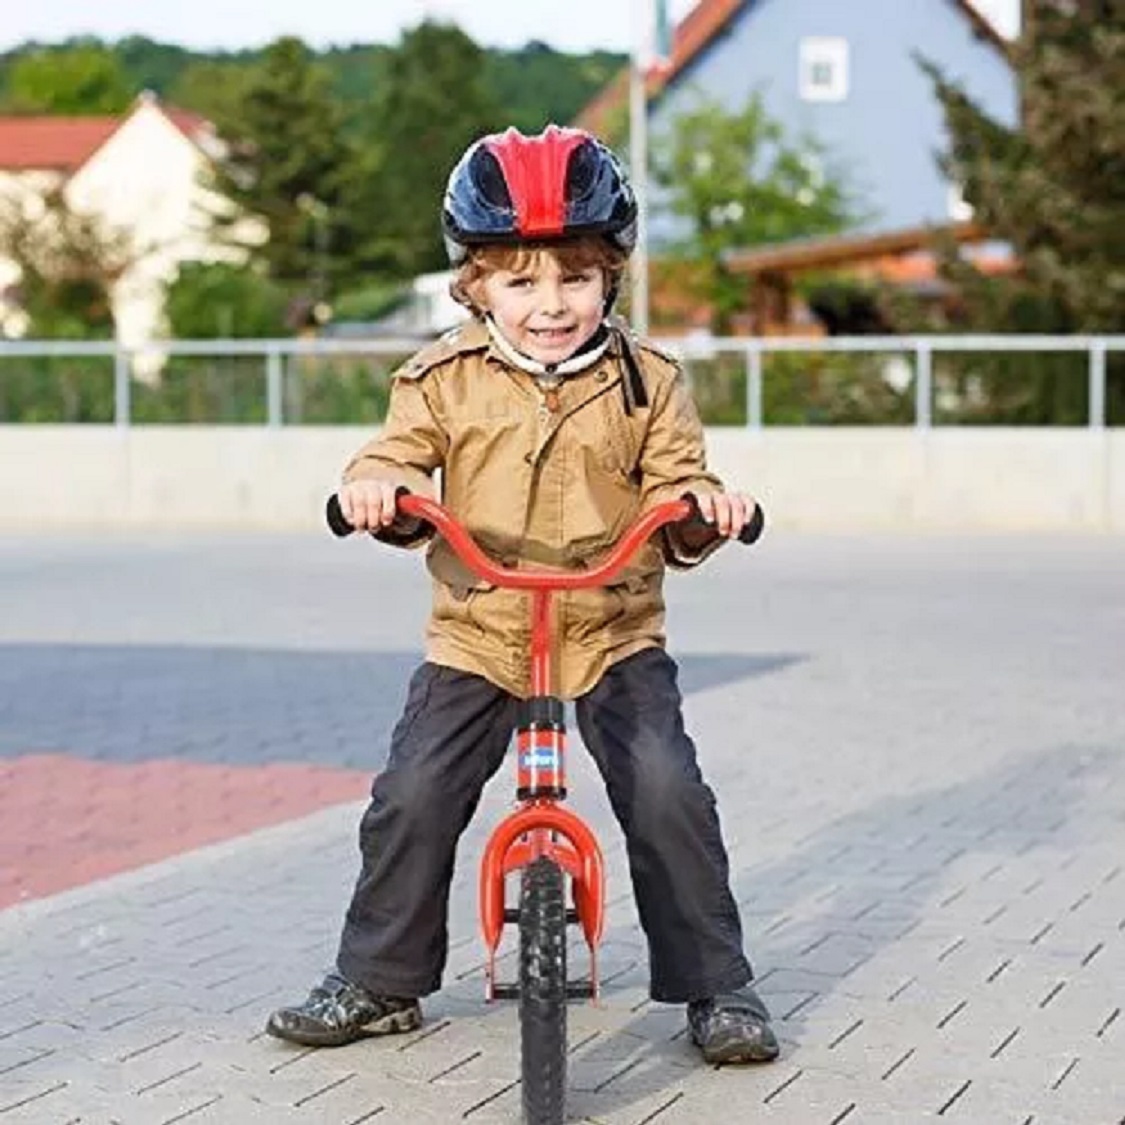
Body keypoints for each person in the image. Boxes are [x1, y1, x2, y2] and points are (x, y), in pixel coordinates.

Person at [266, 125, 779, 1066]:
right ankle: (379, 980)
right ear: (476, 286)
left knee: (667, 788)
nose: (551, 304)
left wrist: (702, 509)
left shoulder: (648, 381)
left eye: (575, 278)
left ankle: (716, 984)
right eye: (521, 281)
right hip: (480, 626)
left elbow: (677, 483)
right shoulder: (438, 379)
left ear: (609, 278)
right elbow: (394, 455)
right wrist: (377, 494)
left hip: (611, 624)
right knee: (413, 793)